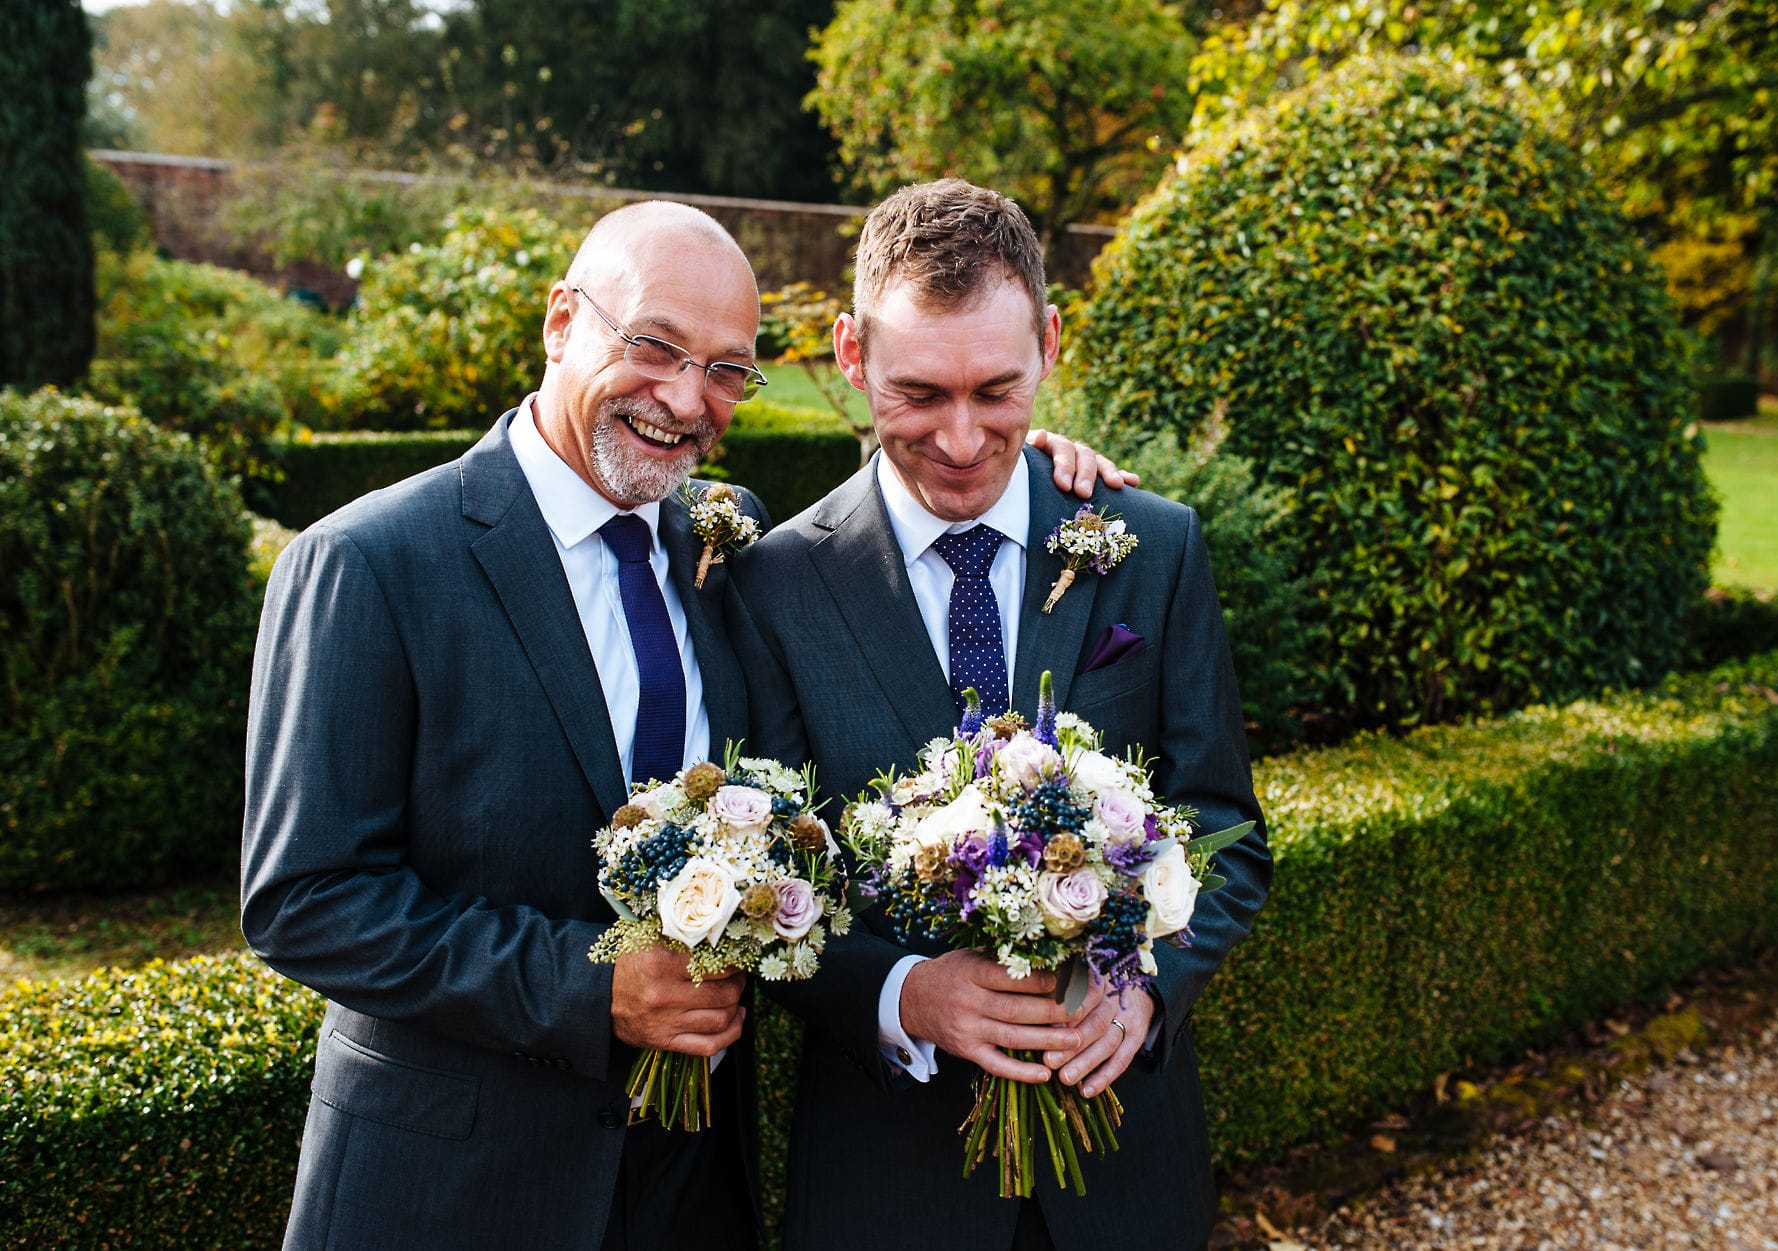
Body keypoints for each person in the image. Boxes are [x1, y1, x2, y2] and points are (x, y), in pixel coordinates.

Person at [242, 199, 1125, 1250]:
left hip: (691, 1186)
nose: (683, 398)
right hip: (454, 1186)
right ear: (561, 321)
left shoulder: (721, 541)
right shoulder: (368, 561)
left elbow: (922, 483)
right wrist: (589, 988)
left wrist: (1024, 454)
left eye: (725, 370)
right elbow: (304, 901)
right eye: (653, 347)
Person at [727, 179, 1274, 1251]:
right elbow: (767, 881)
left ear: (1050, 343)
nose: (965, 439)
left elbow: (1228, 830)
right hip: (885, 1184)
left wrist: (1147, 990)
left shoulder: (1152, 549)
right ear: (849, 355)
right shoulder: (771, 584)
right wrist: (898, 993)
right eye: (918, 393)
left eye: (996, 389)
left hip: (1127, 1172)